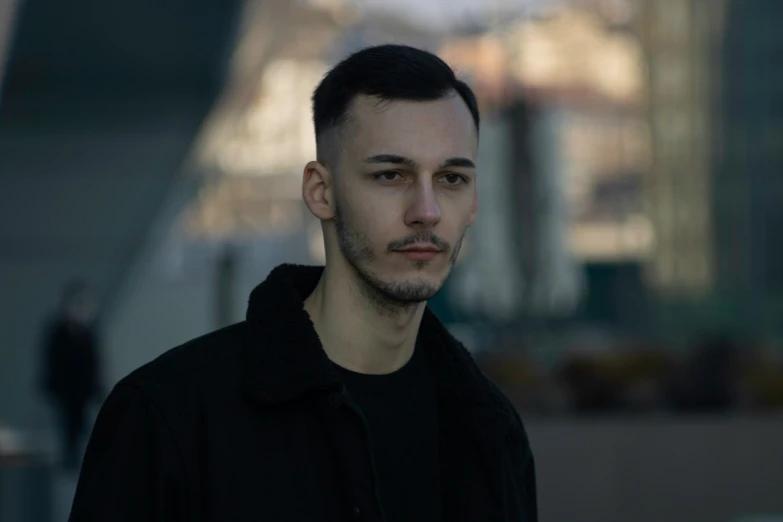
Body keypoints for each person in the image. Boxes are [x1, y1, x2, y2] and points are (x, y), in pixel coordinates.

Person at [69, 44, 537, 522]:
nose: (427, 211)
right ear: (321, 191)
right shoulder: (169, 416)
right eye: (391, 174)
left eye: (451, 179)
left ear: (474, 200)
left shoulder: (489, 429)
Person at [40, 279, 102, 471]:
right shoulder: (58, 331)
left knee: (82, 428)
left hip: (83, 392)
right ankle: (70, 462)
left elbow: (94, 363)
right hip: (65, 392)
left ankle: (82, 462)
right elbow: (52, 360)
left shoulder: (88, 331)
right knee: (67, 430)